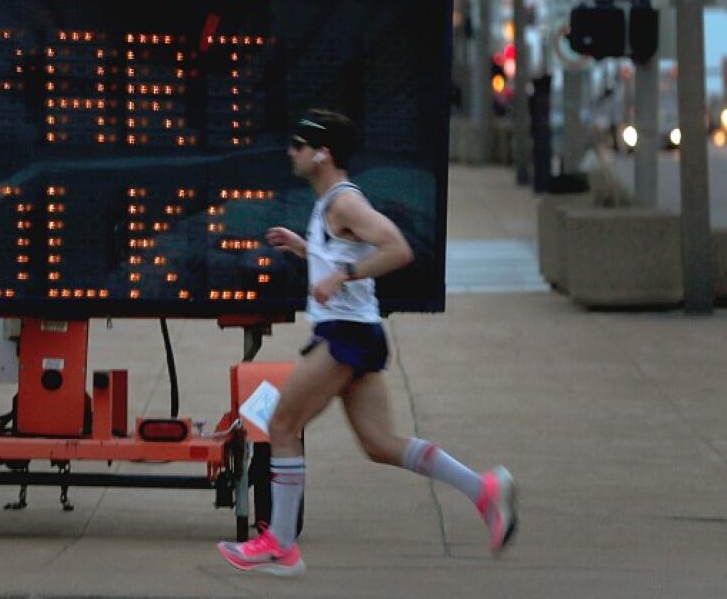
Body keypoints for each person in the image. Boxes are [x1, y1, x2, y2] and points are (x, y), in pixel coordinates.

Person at [217, 109, 516, 577]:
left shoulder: (344, 202)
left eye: (299, 145)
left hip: (345, 336)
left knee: (282, 424)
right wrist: (306, 249)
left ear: (322, 153)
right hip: (356, 333)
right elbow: (344, 250)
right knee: (380, 444)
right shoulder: (329, 204)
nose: (290, 152)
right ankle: (484, 490)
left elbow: (398, 247)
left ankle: (280, 545)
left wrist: (341, 275)